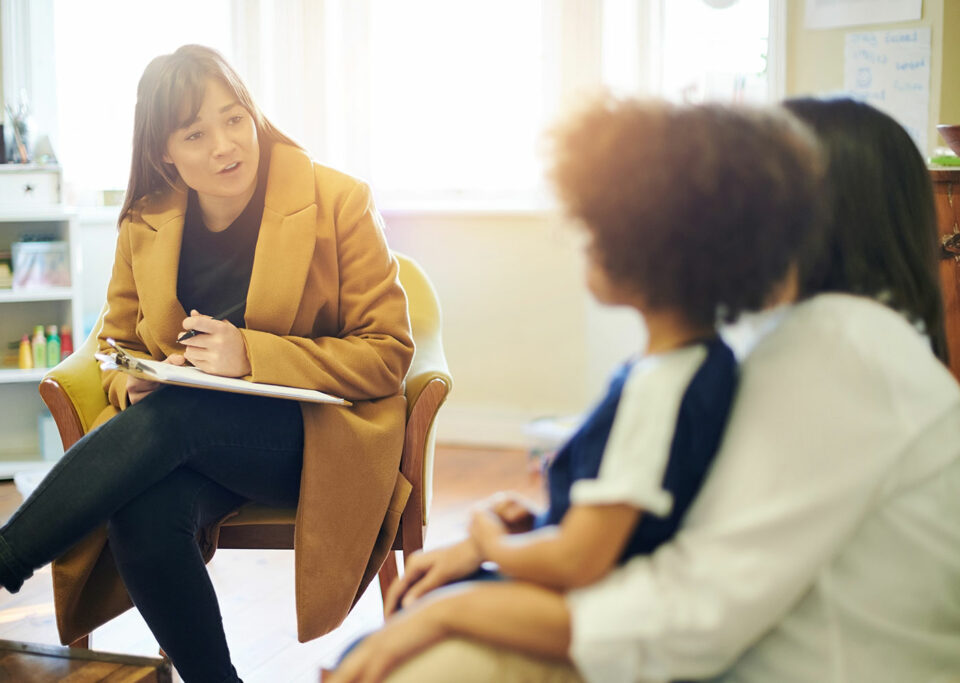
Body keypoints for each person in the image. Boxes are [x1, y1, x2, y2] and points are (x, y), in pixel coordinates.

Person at [0, 45, 414, 683]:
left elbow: (388, 354)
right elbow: (111, 344)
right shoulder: (146, 220)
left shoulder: (338, 200)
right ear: (165, 152)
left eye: (235, 118)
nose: (226, 145)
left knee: (183, 411)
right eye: (196, 132)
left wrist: (253, 355)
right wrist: (128, 379)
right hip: (197, 443)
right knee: (142, 514)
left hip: (314, 440)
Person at [328, 98, 833, 683]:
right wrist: (535, 522)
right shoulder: (698, 364)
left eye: (594, 226)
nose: (583, 240)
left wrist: (489, 539)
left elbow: (581, 559)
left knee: (380, 643)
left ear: (642, 244)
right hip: (580, 585)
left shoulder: (660, 390)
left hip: (578, 604)